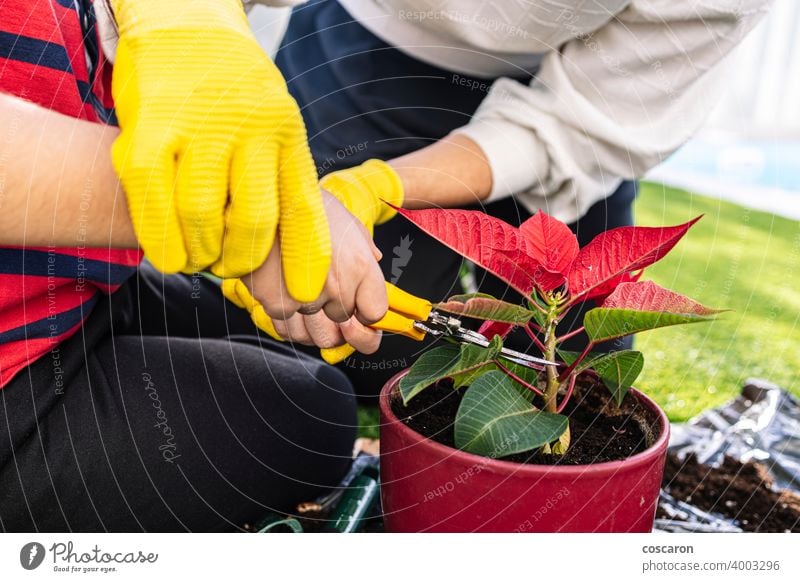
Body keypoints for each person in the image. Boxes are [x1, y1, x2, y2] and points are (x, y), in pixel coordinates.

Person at [215, 0, 773, 396]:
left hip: (588, 83)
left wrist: (380, 185)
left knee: (584, 383)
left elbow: (573, 130)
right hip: (375, 44)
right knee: (359, 346)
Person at [0, 0, 385, 531]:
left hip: (72, 279)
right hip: (16, 372)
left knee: (295, 363)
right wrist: (236, 210)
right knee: (317, 417)